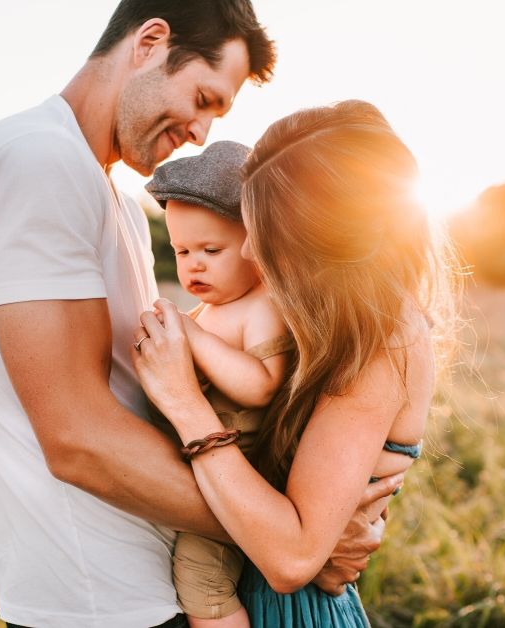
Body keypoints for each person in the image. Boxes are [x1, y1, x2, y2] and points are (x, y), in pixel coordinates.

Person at [0, 1, 401, 625]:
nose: (202, 133)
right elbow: (76, 438)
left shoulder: (119, 201)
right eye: (204, 98)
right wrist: (291, 537)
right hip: (102, 600)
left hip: (157, 582)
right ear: (151, 41)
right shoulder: (36, 162)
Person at [132, 100, 455, 627]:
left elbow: (291, 558)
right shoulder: (325, 323)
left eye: (266, 233)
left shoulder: (382, 341)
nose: (252, 252)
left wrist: (185, 404)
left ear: (321, 240)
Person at [146, 140, 292, 627]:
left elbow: (262, 385)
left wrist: (192, 337)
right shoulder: (209, 310)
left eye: (211, 250)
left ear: (257, 244)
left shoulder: (262, 305)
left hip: (242, 477)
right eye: (181, 251)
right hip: (201, 472)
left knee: (201, 580)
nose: (194, 264)